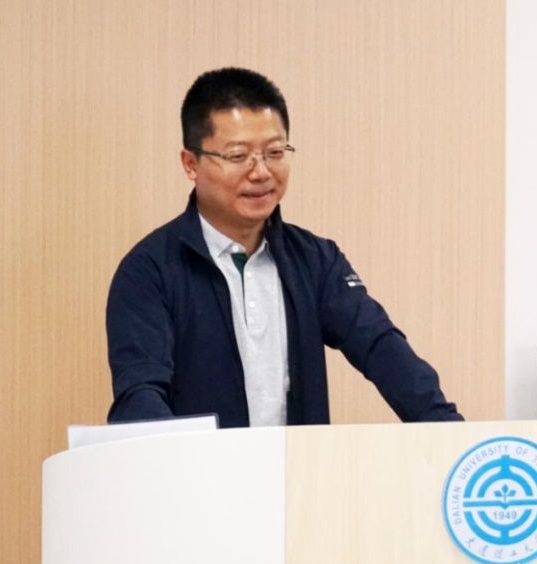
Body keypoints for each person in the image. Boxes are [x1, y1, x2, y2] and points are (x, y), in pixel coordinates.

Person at [105, 67, 462, 428]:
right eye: (238, 156)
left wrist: (449, 431)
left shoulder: (316, 260)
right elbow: (140, 394)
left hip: (298, 466)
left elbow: (381, 348)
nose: (261, 172)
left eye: (275, 152)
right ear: (190, 163)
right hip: (197, 466)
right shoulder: (149, 270)